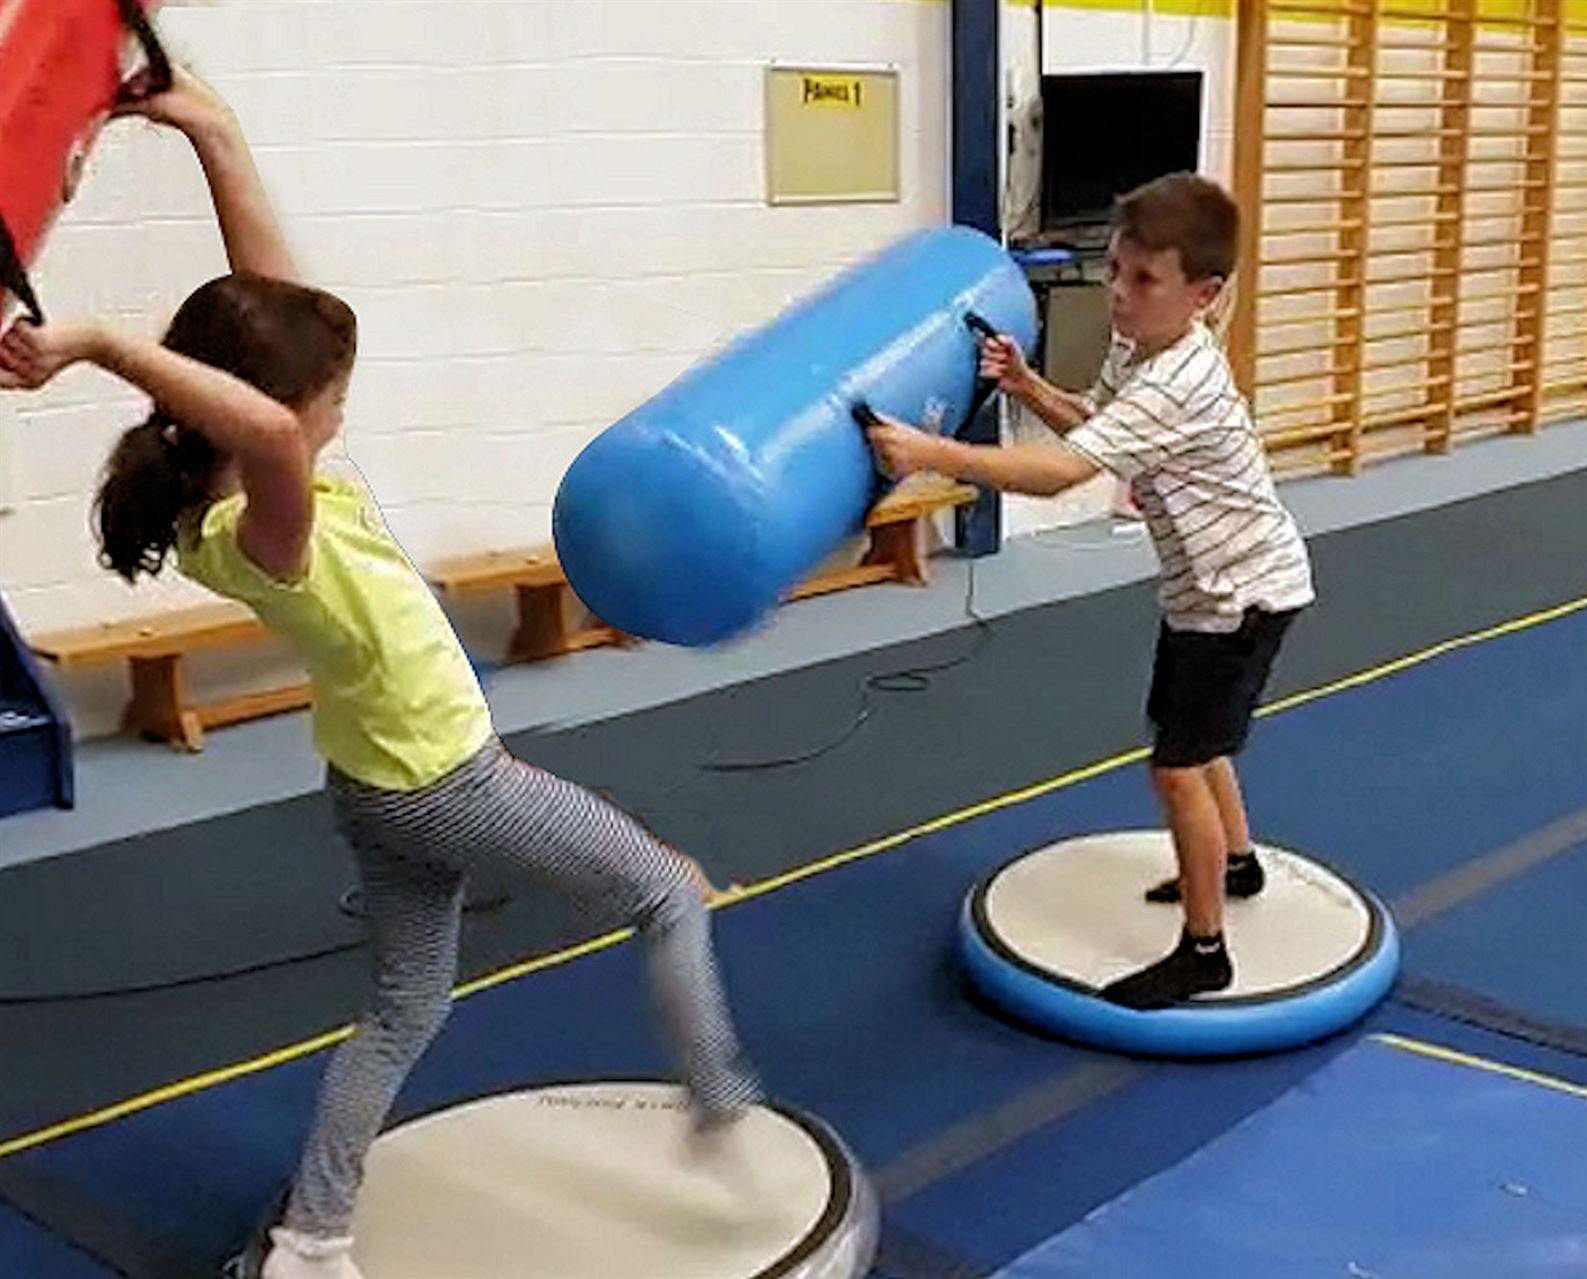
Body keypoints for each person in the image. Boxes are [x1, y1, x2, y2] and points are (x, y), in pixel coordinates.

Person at [0, 71, 759, 1279]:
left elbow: (273, 326)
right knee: (668, 893)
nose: (339, 414)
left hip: (375, 786)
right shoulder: (269, 522)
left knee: (407, 1008)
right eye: (332, 401)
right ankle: (723, 1105)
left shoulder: (229, 487)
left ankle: (311, 1238)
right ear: (282, 417)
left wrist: (212, 130)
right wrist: (97, 342)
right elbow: (269, 421)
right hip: (451, 783)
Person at [865, 173, 1315, 1009]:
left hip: (1242, 596)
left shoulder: (1180, 377)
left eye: (1144, 279)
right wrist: (1027, 385)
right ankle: (1237, 863)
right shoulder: (1140, 347)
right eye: (1113, 269)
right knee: (1193, 741)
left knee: (1177, 766)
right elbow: (1098, 430)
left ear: (1205, 295)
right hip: (1207, 592)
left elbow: (1062, 474)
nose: (1118, 292)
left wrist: (930, 453)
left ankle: (1205, 951)